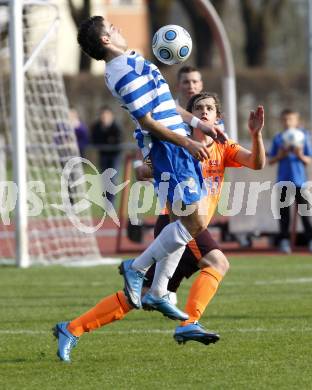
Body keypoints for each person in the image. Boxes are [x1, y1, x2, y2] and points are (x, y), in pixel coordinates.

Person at [53, 92, 265, 362]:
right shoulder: (178, 146)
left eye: (209, 108)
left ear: (217, 117)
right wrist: (152, 169)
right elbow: (143, 170)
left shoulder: (223, 147)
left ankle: (71, 329)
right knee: (218, 263)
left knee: (138, 296)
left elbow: (257, 163)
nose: (204, 111)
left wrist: (256, 134)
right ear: (191, 120)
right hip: (176, 223)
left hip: (191, 229)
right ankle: (189, 324)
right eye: (198, 108)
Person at [72, 16, 226, 321]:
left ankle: (157, 292)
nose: (117, 29)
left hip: (176, 148)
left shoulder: (131, 60)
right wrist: (186, 142)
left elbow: (167, 104)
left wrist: (198, 125)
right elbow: (147, 122)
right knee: (193, 221)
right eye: (112, 28)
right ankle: (137, 267)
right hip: (168, 150)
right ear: (105, 40)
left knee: (185, 221)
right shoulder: (121, 72)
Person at [268, 108, 312, 253]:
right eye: (285, 119)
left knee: (306, 213)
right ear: (281, 121)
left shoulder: (304, 136)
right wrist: (281, 155)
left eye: (291, 119)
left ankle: (310, 240)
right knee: (284, 215)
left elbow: (308, 160)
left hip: (300, 181)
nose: (287, 122)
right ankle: (284, 242)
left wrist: (300, 155)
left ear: (296, 120)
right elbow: (271, 160)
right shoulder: (278, 138)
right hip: (283, 182)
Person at [90, 106, 123, 203]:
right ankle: (107, 202)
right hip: (103, 155)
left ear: (111, 116)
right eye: (102, 115)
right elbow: (95, 140)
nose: (104, 117)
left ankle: (111, 202)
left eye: (106, 115)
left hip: (115, 156)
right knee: (104, 179)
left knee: (112, 178)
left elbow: (118, 140)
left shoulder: (116, 127)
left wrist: (110, 141)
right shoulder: (96, 127)